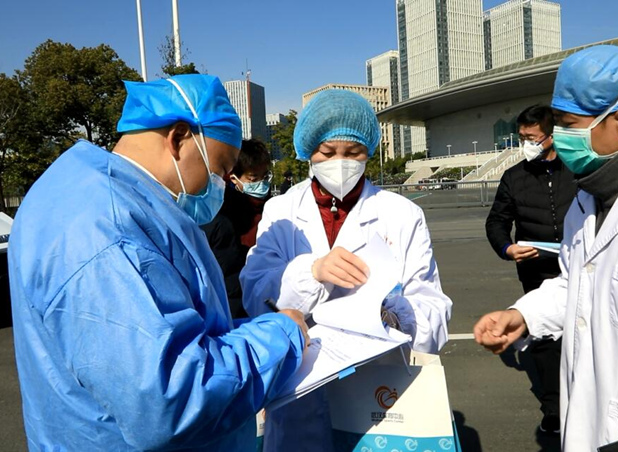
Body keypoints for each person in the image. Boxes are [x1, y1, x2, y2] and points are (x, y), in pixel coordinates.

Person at [9, 74, 309, 451]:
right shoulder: (106, 228)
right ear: (179, 138)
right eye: (220, 170)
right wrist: (282, 335)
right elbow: (168, 401)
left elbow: (169, 331)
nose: (220, 186)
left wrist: (249, 329)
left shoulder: (87, 192)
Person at [474, 45, 618, 450]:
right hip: (590, 426)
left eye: (568, 124)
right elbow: (577, 283)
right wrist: (524, 314)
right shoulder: (589, 197)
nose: (561, 138)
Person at [240, 89, 452, 451]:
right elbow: (255, 294)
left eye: (353, 153)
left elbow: (433, 306)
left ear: (369, 151)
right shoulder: (282, 210)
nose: (340, 163)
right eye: (327, 153)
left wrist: (397, 317)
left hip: (378, 389)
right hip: (299, 392)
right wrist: (312, 272)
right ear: (309, 151)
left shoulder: (402, 214)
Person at [484, 104, 576, 434]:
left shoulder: (576, 171)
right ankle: (554, 407)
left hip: (580, 267)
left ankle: (586, 398)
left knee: (584, 333)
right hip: (536, 269)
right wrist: (507, 248)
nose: (526, 144)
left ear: (551, 136)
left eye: (532, 137)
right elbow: (496, 222)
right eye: (522, 137)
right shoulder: (514, 177)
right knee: (545, 338)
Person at [202, 138, 272, 318]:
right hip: (237, 305)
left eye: (265, 177)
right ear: (234, 178)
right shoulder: (223, 214)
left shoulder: (274, 207)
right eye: (253, 178)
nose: (261, 183)